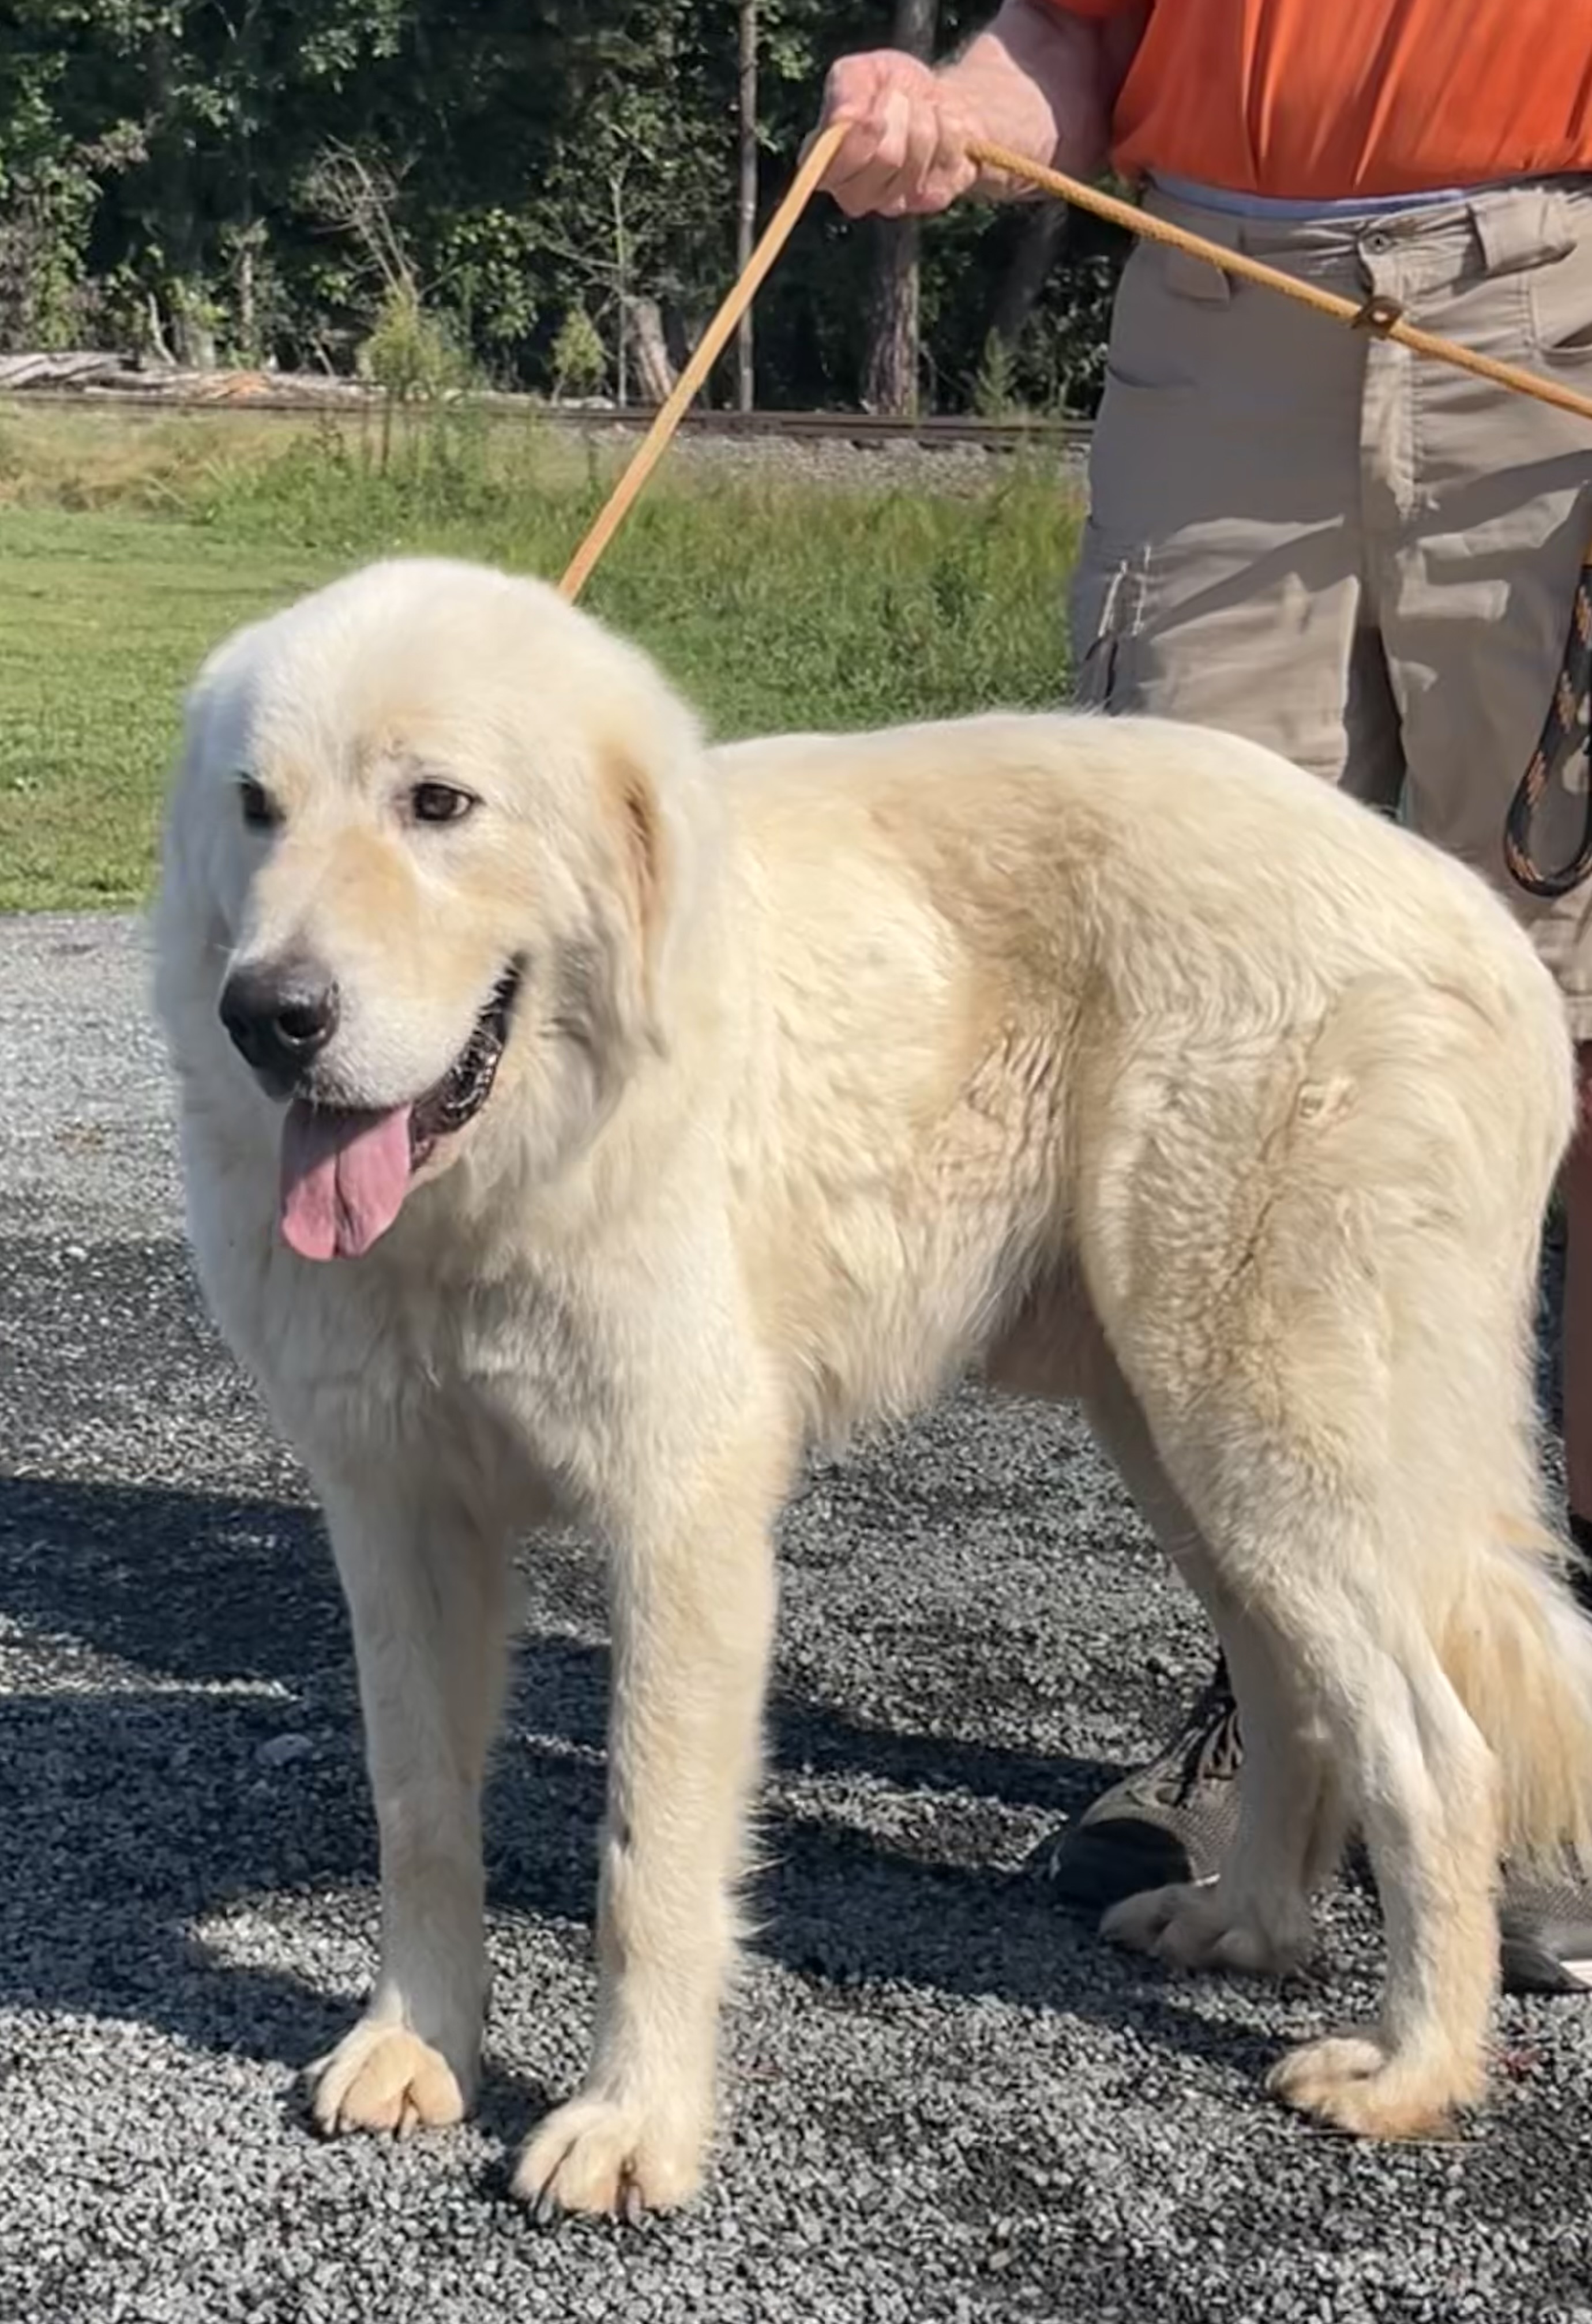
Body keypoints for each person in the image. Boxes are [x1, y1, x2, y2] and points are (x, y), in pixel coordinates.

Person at [816, 0, 1592, 1992]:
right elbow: (1077, 34)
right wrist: (957, 107)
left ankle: (1556, 1770)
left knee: (1577, 1025)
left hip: (1557, 296)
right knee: (1192, 1067)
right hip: (1219, 309)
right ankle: (1289, 1739)